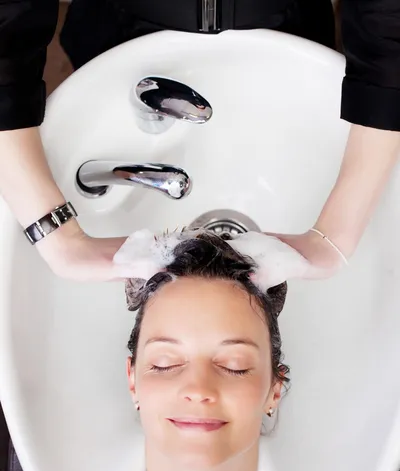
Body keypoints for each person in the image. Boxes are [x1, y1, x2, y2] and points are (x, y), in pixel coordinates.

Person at [5, 232, 399, 471]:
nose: (198, 389)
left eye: (233, 365)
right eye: (164, 363)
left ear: (273, 390)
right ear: (133, 382)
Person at [0, 1, 399, 282]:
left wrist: (56, 236)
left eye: (165, 361)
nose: (199, 392)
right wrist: (57, 240)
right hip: (114, 21)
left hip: (289, 21)